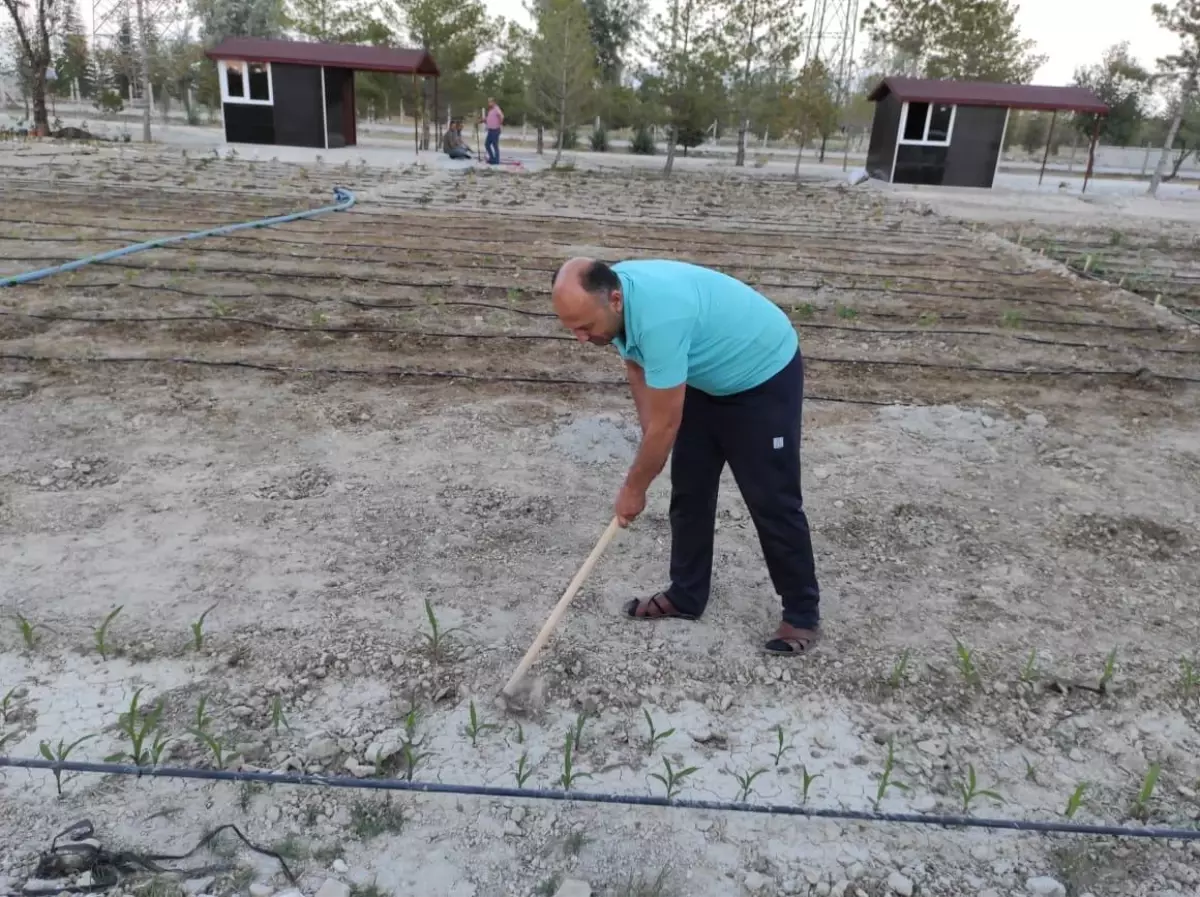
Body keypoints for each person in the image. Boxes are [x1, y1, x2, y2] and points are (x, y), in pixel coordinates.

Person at [550, 257, 822, 656]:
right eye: (571, 328)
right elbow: (637, 368)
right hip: (705, 378)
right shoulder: (613, 305)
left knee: (772, 500)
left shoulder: (659, 316)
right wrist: (651, 444)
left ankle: (801, 614)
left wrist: (634, 487)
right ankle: (687, 595)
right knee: (690, 490)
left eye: (586, 327)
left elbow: (665, 426)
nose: (581, 338)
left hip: (762, 375)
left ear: (614, 300)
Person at [482, 98, 504, 165]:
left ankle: (496, 160)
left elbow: (501, 116)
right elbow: (488, 119)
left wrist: (499, 123)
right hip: (490, 130)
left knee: (495, 145)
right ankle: (492, 158)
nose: (489, 103)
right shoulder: (490, 110)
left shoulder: (496, 108)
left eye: (490, 102)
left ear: (494, 102)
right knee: (487, 144)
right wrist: (481, 120)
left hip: (495, 130)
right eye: (488, 102)